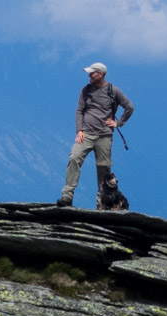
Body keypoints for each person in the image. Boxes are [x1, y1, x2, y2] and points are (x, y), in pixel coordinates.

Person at [56, 62, 132, 208]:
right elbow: (79, 111)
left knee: (103, 168)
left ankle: (101, 204)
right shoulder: (86, 90)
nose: (89, 75)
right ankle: (67, 196)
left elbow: (129, 107)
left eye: (92, 73)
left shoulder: (113, 91)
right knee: (74, 158)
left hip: (104, 136)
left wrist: (118, 123)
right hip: (86, 134)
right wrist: (79, 130)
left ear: (101, 74)